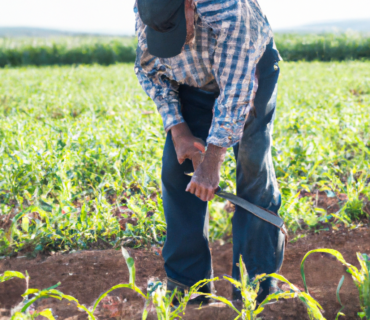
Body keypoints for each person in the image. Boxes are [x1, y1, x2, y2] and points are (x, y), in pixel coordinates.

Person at [134, 0, 285, 303]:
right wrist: (178, 129)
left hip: (249, 74)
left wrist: (212, 161)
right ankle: (189, 285)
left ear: (190, 5)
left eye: (177, 29)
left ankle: (257, 287)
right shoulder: (148, 8)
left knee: (252, 165)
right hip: (191, 82)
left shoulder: (227, 10)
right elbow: (149, 69)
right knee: (177, 172)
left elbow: (236, 92)